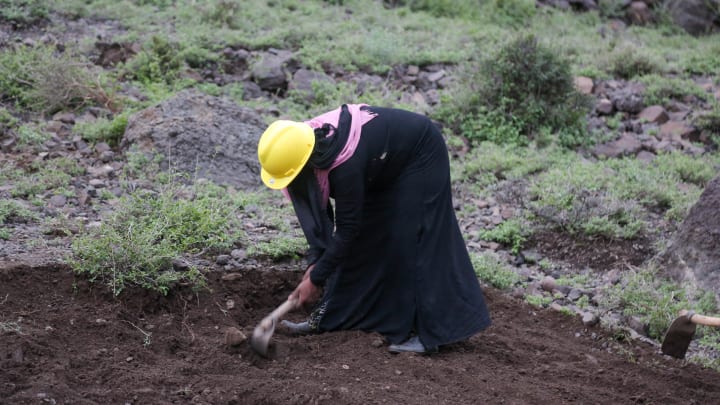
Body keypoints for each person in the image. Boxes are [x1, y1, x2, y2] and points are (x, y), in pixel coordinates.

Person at [256, 104, 491, 353]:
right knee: (364, 244)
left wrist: (316, 279)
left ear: (304, 164)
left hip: (420, 155)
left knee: (409, 240)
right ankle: (332, 318)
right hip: (381, 165)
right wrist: (316, 264)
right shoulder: (306, 147)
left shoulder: (343, 165)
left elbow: (347, 230)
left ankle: (430, 334)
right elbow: (321, 223)